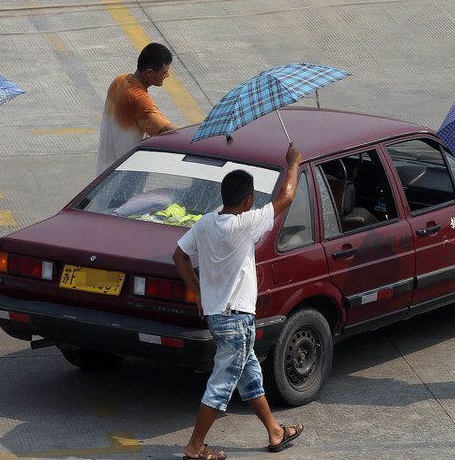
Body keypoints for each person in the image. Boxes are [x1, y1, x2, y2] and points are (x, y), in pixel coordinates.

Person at [173, 143, 305, 460]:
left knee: (249, 376)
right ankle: (195, 447)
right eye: (252, 199)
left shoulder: (205, 223)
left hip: (218, 317)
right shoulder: (243, 224)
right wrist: (293, 164)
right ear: (247, 200)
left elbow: (179, 256)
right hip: (236, 320)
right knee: (221, 385)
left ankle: (274, 431)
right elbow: (285, 198)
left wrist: (199, 290)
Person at [96, 42, 176, 174]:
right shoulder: (139, 99)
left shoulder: (119, 81)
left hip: (104, 170)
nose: (167, 76)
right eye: (165, 72)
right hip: (124, 172)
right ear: (149, 72)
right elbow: (167, 132)